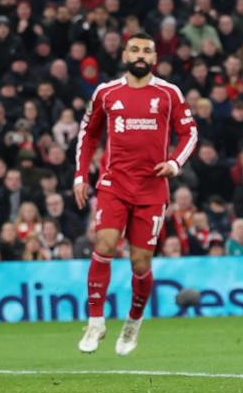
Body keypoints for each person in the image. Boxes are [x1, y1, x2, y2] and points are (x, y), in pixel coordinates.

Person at [72, 34, 197, 356]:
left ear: (154, 58)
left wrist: (174, 162)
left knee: (140, 263)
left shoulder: (168, 93)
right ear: (124, 54)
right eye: (135, 50)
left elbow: (190, 132)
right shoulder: (107, 93)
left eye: (146, 51)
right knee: (105, 243)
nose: (140, 55)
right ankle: (95, 322)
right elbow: (88, 134)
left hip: (152, 188)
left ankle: (133, 323)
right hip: (114, 184)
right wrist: (80, 175)